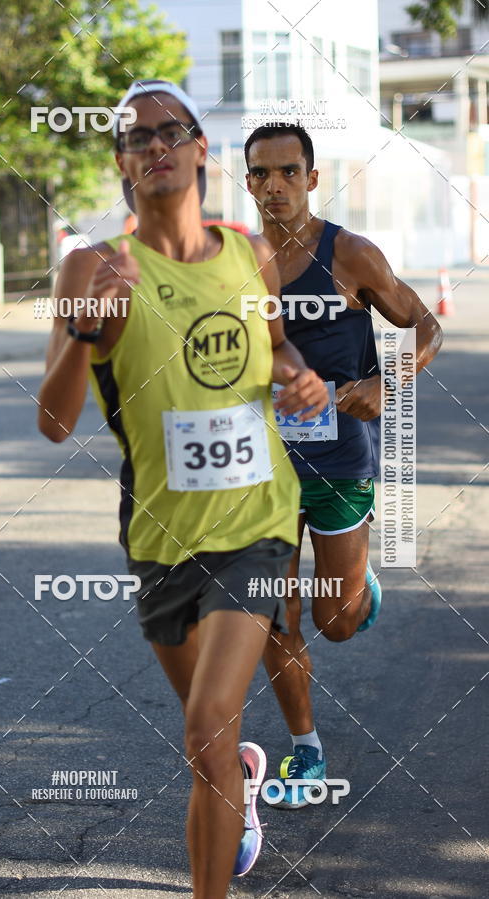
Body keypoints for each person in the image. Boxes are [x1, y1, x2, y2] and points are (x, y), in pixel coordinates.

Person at [38, 83, 328, 897]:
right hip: (162, 535)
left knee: (204, 727)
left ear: (203, 149)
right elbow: (53, 422)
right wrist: (88, 331)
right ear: (123, 166)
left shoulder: (250, 254)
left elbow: (278, 352)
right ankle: (237, 777)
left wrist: (301, 380)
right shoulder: (90, 267)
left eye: (173, 131)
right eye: (137, 138)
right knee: (212, 732)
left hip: (260, 520)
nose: (155, 144)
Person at [244, 122, 443, 807]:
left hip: (338, 460)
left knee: (334, 621)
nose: (275, 185)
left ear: (312, 177)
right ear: (248, 183)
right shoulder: (231, 262)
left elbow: (425, 324)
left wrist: (389, 382)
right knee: (275, 616)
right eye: (262, 174)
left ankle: (359, 593)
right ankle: (306, 749)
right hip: (261, 467)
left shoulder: (351, 254)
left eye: (288, 172)